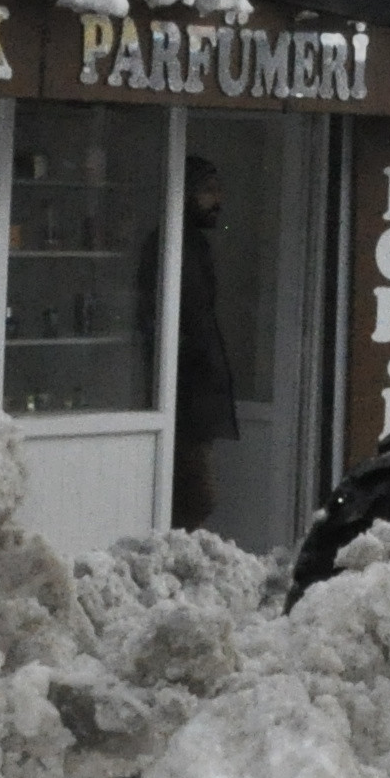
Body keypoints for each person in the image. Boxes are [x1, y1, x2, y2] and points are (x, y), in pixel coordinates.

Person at [143, 157, 242, 531]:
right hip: (182, 397)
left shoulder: (191, 246)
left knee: (193, 496)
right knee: (196, 498)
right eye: (208, 191)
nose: (218, 202)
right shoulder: (171, 247)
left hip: (193, 396)